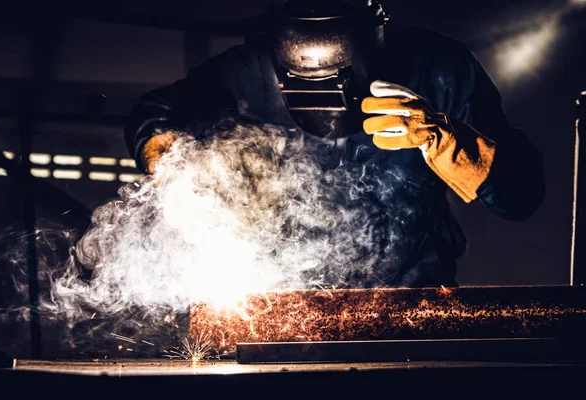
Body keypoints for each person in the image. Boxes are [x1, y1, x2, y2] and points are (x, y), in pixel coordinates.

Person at [124, 0, 545, 287]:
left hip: (411, 300)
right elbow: (154, 113)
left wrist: (450, 140)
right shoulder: (247, 69)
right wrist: (175, 169)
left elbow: (521, 197)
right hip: (284, 303)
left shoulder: (440, 68)